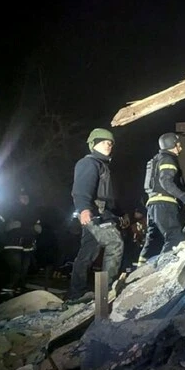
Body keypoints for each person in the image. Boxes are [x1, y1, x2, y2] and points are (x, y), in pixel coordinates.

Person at [67, 128, 126, 301]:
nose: (109, 145)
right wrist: (84, 208)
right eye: (104, 142)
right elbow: (80, 189)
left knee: (88, 252)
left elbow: (108, 195)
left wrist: (120, 213)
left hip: (103, 212)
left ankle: (76, 293)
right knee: (115, 242)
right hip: (95, 213)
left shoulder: (103, 166)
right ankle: (106, 291)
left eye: (110, 143)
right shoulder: (89, 163)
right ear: (93, 145)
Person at [138, 132, 185, 266]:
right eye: (178, 143)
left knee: (153, 240)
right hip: (164, 204)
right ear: (173, 144)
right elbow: (166, 182)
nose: (180, 146)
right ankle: (163, 269)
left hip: (153, 204)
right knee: (175, 237)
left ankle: (140, 272)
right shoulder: (168, 159)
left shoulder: (157, 159)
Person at [2, 188, 41, 294]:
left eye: (26, 197)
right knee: (15, 269)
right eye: (22, 197)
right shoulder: (11, 209)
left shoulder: (32, 211)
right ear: (18, 198)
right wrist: (9, 226)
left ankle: (18, 288)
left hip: (27, 246)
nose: (25, 199)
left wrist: (37, 229)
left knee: (24, 269)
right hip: (13, 245)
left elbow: (36, 227)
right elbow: (5, 225)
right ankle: (7, 289)